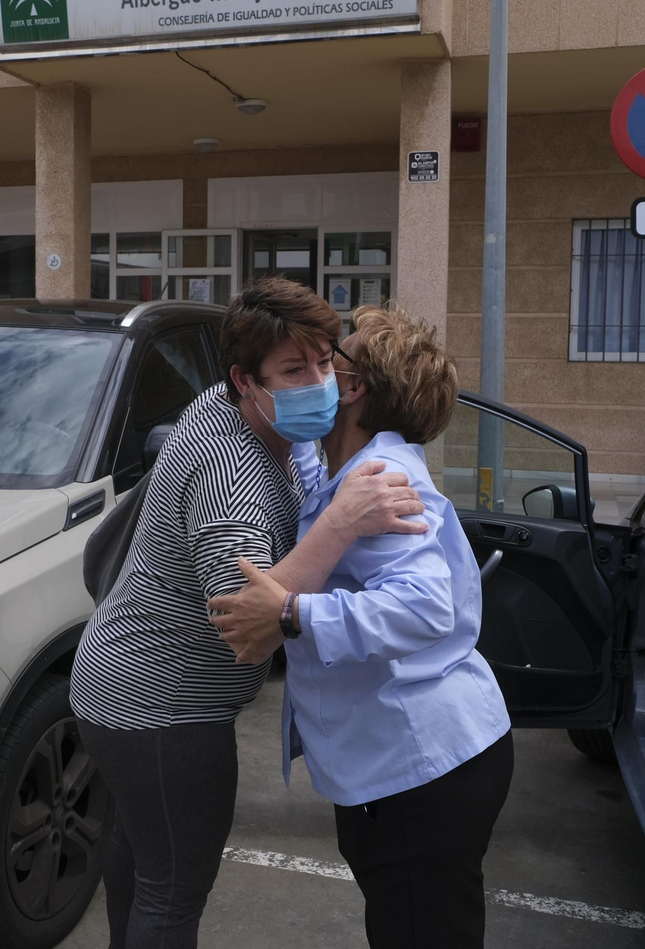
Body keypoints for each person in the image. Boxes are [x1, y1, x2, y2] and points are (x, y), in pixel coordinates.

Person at [69, 277, 429, 949]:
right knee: (173, 892)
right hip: (163, 712)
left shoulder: (229, 408)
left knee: (144, 857)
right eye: (295, 370)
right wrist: (341, 523)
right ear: (245, 379)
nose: (319, 381)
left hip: (116, 686)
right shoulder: (231, 482)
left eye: (325, 361)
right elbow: (245, 630)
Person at [210, 304, 513, 949]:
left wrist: (294, 612)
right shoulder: (345, 473)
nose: (315, 371)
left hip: (421, 774)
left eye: (328, 361)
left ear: (350, 389)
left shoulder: (387, 483)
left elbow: (428, 605)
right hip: (422, 762)